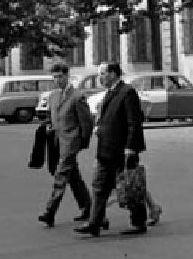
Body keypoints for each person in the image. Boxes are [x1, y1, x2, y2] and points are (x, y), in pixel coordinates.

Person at [75, 61, 148, 237]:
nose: (100, 77)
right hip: (105, 150)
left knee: (130, 186)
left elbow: (133, 122)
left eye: (103, 74)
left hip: (122, 150)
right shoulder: (110, 93)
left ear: (113, 74)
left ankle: (139, 223)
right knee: (99, 186)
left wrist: (130, 147)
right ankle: (95, 223)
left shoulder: (127, 92)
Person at [37, 61, 94, 228]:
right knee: (74, 178)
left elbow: (87, 122)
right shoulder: (53, 96)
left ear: (67, 76)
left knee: (60, 177)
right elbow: (54, 116)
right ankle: (87, 207)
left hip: (71, 142)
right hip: (58, 141)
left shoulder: (77, 96)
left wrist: (82, 142)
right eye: (54, 77)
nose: (57, 80)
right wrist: (49, 125)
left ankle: (50, 212)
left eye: (60, 77)